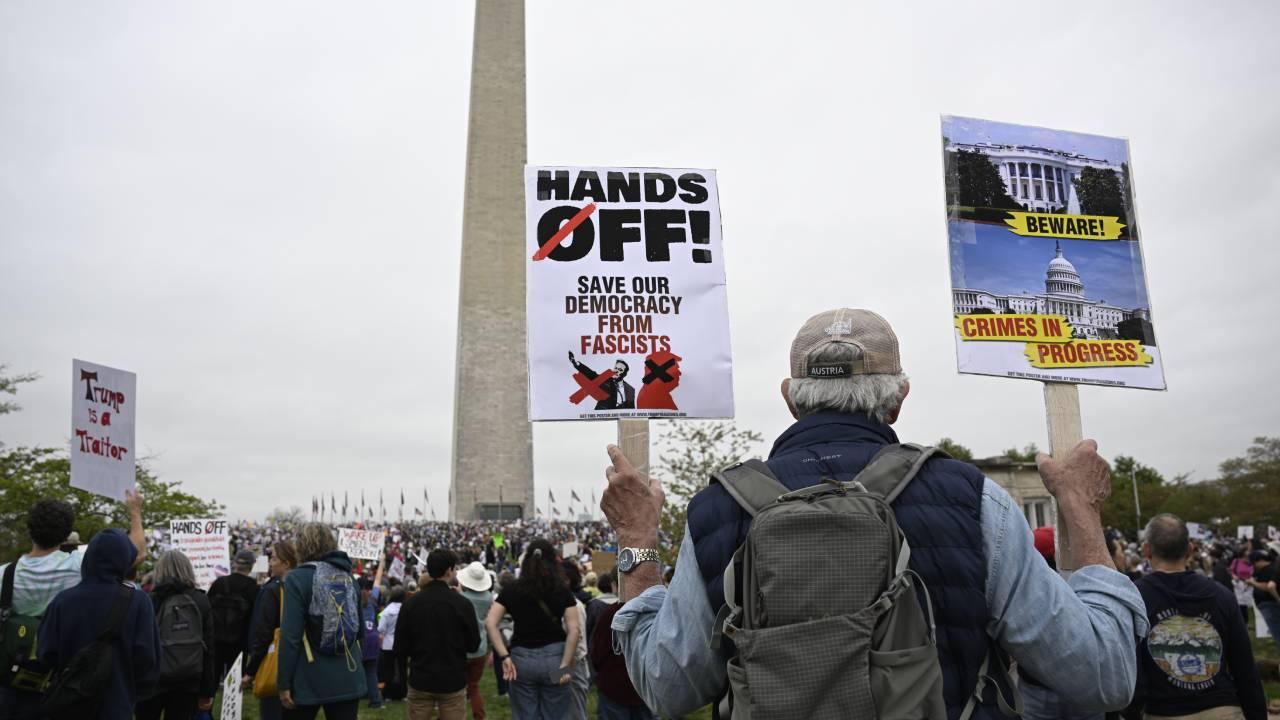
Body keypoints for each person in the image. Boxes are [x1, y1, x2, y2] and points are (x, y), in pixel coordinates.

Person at [601, 308, 1150, 718]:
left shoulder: (721, 507)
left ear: (790, 398)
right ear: (900, 397)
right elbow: (1102, 674)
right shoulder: (971, 498)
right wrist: (1080, 509)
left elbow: (665, 687)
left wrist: (636, 536)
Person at [1130, 514, 1266, 720]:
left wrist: (1131, 712)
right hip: (1222, 710)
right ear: (1190, 550)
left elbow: (1131, 669)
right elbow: (1245, 668)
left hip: (1163, 710)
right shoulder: (1222, 596)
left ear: (1146, 550)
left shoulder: (1135, 598)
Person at [38, 527, 159, 720]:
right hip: (117, 705)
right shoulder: (139, 602)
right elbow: (147, 661)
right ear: (125, 560)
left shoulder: (62, 601)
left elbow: (46, 654)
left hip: (69, 706)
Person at [0, 499, 85, 720]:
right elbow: (135, 555)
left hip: (6, 678)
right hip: (53, 678)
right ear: (66, 535)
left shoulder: (4, 574)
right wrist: (134, 511)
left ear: (30, 529)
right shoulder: (77, 567)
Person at [276, 523, 366, 719]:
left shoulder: (297, 578)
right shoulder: (349, 577)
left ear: (301, 546)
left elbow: (290, 636)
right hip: (348, 673)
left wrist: (283, 682)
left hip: (308, 676)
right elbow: (360, 631)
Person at [484, 539, 579, 720]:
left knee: (525, 714)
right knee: (557, 713)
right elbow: (574, 630)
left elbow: (490, 623)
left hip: (521, 661)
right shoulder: (562, 590)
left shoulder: (511, 589)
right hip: (556, 659)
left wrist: (504, 656)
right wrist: (566, 664)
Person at [394, 549, 480, 720]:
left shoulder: (411, 604)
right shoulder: (462, 604)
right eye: (455, 569)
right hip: (452, 680)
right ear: (449, 570)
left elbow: (400, 647)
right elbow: (473, 644)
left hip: (421, 678)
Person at [136, 550, 217, 720]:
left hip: (154, 678)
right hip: (188, 678)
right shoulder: (201, 600)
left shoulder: (149, 600)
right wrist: (207, 690)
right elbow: (209, 648)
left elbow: (140, 643)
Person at [244, 541, 299, 720]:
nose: (270, 563)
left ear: (286, 563)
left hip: (276, 666)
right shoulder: (303, 588)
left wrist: (251, 670)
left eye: (274, 559)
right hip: (301, 669)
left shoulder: (273, 591)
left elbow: (263, 633)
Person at [207, 549, 260, 680]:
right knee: (235, 682)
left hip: (217, 640)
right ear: (252, 566)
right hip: (240, 641)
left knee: (212, 680)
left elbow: (207, 609)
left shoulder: (219, 583)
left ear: (235, 564)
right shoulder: (254, 588)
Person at [458, 562, 494, 720]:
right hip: (480, 646)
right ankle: (479, 716)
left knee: (456, 689)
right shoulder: (488, 598)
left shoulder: (461, 598)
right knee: (474, 686)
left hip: (462, 646)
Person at [568, 352, 635, 410]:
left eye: (620, 370)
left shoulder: (630, 390)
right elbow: (591, 374)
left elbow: (632, 409)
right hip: (602, 413)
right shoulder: (605, 379)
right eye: (616, 368)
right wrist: (577, 364)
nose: (616, 371)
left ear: (624, 374)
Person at [1245, 550, 1279, 651]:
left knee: (1277, 632)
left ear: (1259, 560)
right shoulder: (1270, 568)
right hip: (1269, 604)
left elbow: (1269, 586)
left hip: (1270, 604)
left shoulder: (1271, 569)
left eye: (1254, 563)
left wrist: (1253, 583)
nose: (1254, 566)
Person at [377, 587, 407, 702]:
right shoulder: (406, 609)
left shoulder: (386, 611)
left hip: (388, 643)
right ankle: (403, 694)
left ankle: (388, 694)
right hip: (402, 643)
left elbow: (381, 628)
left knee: (388, 670)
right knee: (402, 669)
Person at [358, 577, 383, 711]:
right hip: (373, 637)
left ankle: (360, 694)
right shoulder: (373, 599)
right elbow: (377, 581)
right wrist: (381, 565)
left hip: (361, 638)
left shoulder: (353, 602)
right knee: (371, 671)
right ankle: (375, 700)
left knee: (358, 670)